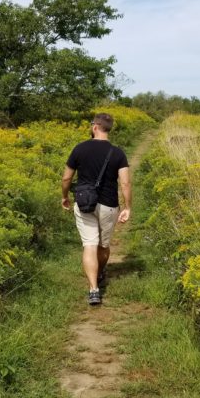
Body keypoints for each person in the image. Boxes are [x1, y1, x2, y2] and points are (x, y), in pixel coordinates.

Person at [61, 113, 131, 305]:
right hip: (109, 205)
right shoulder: (118, 153)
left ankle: (93, 290)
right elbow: (125, 183)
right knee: (103, 245)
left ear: (95, 127)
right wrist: (127, 207)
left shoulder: (80, 149)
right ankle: (100, 273)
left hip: (84, 203)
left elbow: (67, 178)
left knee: (89, 244)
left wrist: (65, 196)